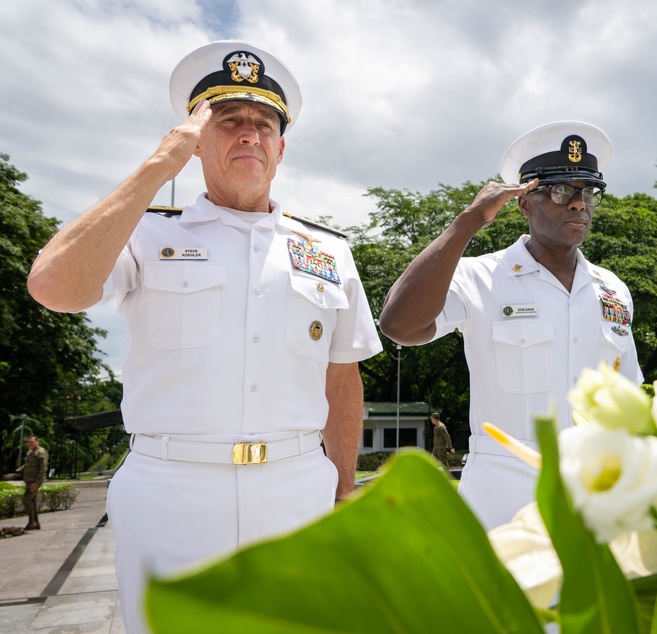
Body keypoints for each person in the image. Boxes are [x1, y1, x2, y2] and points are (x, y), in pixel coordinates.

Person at [26, 41, 382, 633]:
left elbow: (342, 378)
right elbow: (53, 289)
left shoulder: (328, 252)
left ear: (280, 147)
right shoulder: (142, 233)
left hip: (298, 489)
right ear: (194, 142)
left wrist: (344, 492)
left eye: (263, 124)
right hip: (172, 492)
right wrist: (155, 169)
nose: (249, 134)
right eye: (228, 121)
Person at [378, 121, 643, 530]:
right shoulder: (479, 277)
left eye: (587, 192)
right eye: (561, 191)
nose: (578, 204)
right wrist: (466, 223)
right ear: (524, 204)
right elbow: (400, 325)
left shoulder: (613, 290)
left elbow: (630, 397)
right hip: (504, 496)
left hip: (597, 489)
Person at [17, 436, 48, 531]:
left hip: (34, 481)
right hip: (29, 480)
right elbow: (28, 464)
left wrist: (37, 483)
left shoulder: (40, 453)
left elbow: (43, 469)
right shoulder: (30, 452)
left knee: (26, 500)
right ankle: (36, 523)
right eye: (28, 442)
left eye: (31, 442)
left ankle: (31, 522)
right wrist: (19, 470)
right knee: (32, 502)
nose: (29, 444)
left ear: (37, 442)